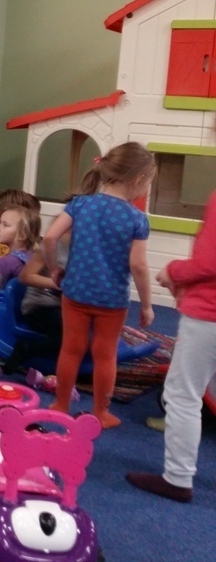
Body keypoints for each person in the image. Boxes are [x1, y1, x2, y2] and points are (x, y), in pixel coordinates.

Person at [126, 130, 216, 502]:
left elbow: (209, 262)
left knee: (183, 395)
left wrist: (173, 271)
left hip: (209, 316)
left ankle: (177, 478)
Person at [43, 143, 156, 429]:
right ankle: (101, 413)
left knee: (70, 349)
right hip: (112, 299)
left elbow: (50, 237)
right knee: (105, 354)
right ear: (139, 179)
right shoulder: (136, 219)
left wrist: (54, 268)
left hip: (75, 292)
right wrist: (146, 305)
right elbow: (138, 265)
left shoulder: (80, 204)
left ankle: (61, 404)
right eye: (148, 184)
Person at [3, 242, 68, 374]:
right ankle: (26, 349)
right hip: (40, 304)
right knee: (70, 334)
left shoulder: (85, 250)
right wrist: (60, 284)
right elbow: (25, 277)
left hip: (65, 305)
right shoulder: (52, 245)